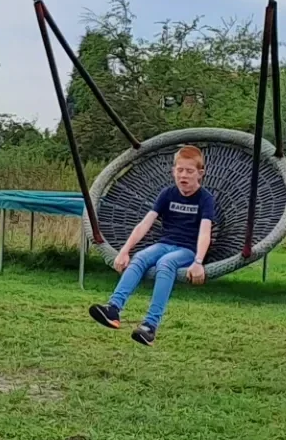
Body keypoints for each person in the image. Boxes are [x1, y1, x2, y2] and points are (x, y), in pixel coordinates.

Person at [88, 145, 216, 346]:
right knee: (139, 258)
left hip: (188, 250)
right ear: (173, 171)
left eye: (189, 171)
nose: (183, 175)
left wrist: (198, 261)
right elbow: (145, 224)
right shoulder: (167, 194)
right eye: (180, 170)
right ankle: (113, 309)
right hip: (165, 243)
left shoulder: (205, 198)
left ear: (200, 173)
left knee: (166, 264)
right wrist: (124, 251)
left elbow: (205, 232)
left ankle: (150, 325)